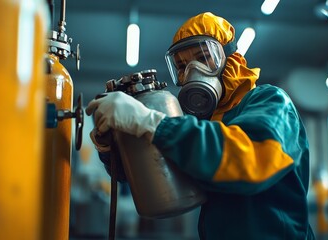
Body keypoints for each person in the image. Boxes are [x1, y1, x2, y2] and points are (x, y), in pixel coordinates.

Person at [86, 12, 315, 240]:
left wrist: (151, 123)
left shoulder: (271, 101)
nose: (192, 72)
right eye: (182, 65)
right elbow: (152, 172)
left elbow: (247, 160)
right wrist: (112, 147)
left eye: (204, 57)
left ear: (230, 59)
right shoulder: (205, 125)